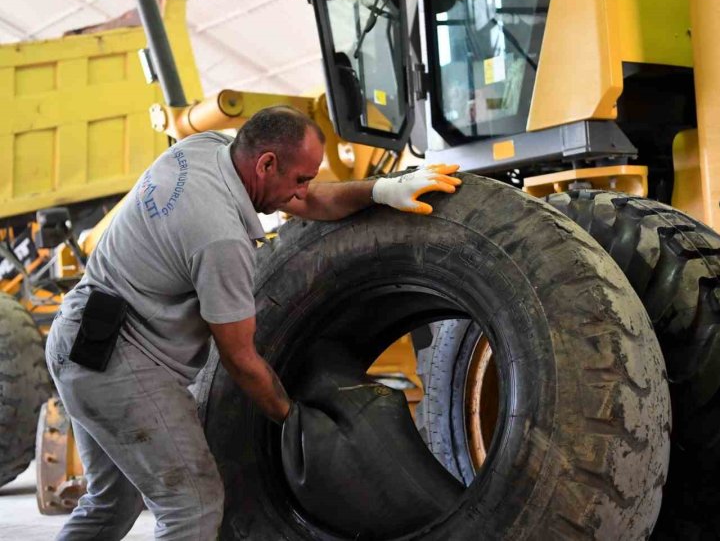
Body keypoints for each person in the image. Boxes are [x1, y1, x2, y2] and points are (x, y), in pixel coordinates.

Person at [44, 105, 461, 540]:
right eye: (299, 177)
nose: (302, 190)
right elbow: (240, 359)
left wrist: (381, 190)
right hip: (120, 365)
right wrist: (297, 421)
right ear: (265, 164)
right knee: (193, 505)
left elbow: (308, 199)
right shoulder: (219, 237)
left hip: (78, 337)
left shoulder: (205, 149)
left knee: (112, 502)